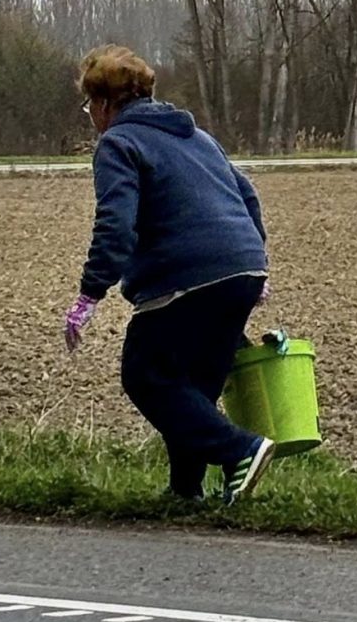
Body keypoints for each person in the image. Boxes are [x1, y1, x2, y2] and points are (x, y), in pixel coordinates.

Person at [62, 45, 275, 505]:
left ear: (103, 104)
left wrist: (88, 296)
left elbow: (116, 224)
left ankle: (242, 450)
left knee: (146, 376)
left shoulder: (118, 143)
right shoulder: (198, 137)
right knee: (193, 387)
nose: (91, 115)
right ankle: (186, 492)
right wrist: (257, 264)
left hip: (185, 279)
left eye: (89, 106)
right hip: (244, 268)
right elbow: (248, 195)